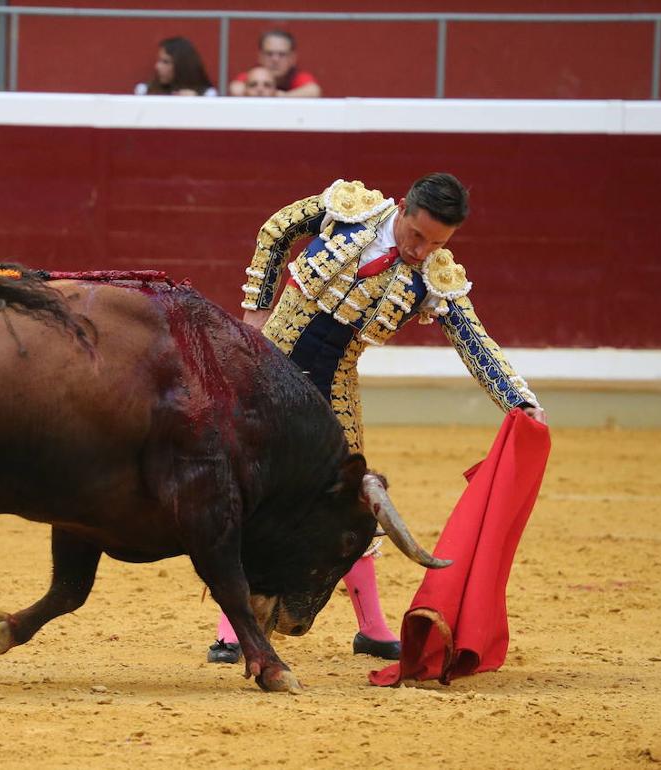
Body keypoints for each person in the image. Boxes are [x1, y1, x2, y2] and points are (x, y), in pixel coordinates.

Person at [206, 173, 547, 665]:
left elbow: (474, 341)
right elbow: (276, 229)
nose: (420, 250)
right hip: (265, 370)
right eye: (416, 236)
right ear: (403, 207)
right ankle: (233, 629)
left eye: (436, 243)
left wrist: (520, 402)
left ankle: (372, 627)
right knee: (251, 492)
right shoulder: (351, 210)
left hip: (332, 390)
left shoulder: (434, 277)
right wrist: (256, 308)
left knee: (354, 502)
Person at [227, 30, 319, 98]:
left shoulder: (297, 77)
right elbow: (236, 88)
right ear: (260, 57)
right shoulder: (252, 75)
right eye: (269, 54)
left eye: (282, 54)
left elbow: (313, 91)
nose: (275, 59)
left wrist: (281, 96)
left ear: (292, 58)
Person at [133, 36, 216, 97]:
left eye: (165, 62)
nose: (157, 66)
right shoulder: (144, 91)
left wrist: (196, 102)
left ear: (182, 65)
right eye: (159, 61)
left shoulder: (207, 95)